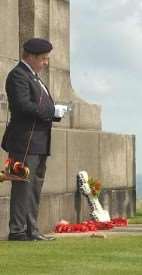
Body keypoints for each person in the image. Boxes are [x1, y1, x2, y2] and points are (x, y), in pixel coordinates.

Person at [1, 38, 68, 241]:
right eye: (43, 58)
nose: (46, 62)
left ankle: (31, 229)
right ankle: (18, 230)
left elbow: (40, 105)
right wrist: (51, 110)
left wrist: (56, 112)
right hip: (24, 141)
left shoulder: (35, 77)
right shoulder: (18, 76)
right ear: (30, 56)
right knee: (22, 186)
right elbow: (22, 106)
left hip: (38, 141)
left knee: (34, 187)